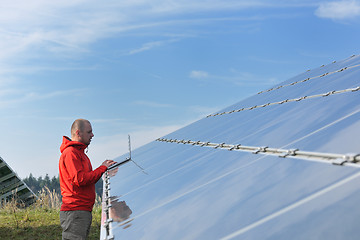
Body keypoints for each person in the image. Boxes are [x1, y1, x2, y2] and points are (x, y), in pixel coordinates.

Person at [59, 119, 116, 240]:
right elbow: (80, 179)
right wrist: (102, 168)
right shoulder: (71, 153)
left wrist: (103, 169)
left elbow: (85, 179)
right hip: (75, 211)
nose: (92, 135)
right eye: (89, 132)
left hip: (81, 211)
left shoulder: (79, 153)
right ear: (78, 133)